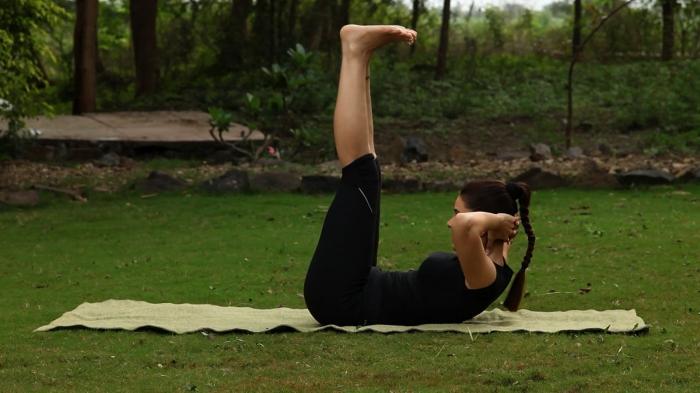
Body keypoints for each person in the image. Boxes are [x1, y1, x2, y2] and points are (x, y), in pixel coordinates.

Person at [303, 25, 536, 326]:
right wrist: (496, 223)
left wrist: (496, 222)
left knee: (361, 174)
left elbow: (465, 226)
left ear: (487, 221)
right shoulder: (484, 262)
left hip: (342, 300)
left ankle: (355, 51)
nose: (452, 220)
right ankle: (360, 56)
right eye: (455, 212)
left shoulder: (487, 274)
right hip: (360, 285)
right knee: (369, 169)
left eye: (457, 212)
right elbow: (467, 224)